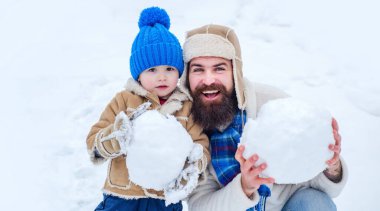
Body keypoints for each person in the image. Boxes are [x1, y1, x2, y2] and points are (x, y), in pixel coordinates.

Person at [178, 24, 348, 211]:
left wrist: (330, 165)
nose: (208, 80)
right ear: (187, 77)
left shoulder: (271, 103)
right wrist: (245, 186)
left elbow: (316, 184)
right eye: (198, 70)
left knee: (314, 203)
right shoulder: (185, 127)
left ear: (235, 72)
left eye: (219, 69)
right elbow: (199, 205)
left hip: (287, 206)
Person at [86, 7, 210, 211]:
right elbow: (94, 143)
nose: (162, 76)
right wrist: (114, 139)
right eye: (152, 70)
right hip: (122, 196)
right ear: (138, 74)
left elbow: (200, 143)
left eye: (169, 69)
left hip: (165, 198)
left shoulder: (186, 107)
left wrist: (195, 162)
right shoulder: (124, 101)